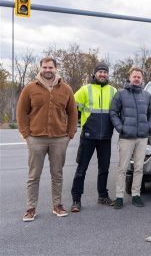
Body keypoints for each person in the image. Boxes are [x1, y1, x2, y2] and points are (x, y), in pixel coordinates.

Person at [17, 57, 78, 221]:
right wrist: (26, 135)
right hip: (36, 139)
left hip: (59, 139)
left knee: (57, 174)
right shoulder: (30, 88)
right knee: (33, 176)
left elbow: (73, 112)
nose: (47, 70)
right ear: (40, 68)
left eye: (50, 67)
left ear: (56, 69)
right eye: (45, 67)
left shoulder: (66, 89)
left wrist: (69, 135)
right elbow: (21, 112)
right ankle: (30, 208)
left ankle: (57, 205)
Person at [70, 62, 117, 212]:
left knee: (104, 168)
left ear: (108, 74)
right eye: (100, 72)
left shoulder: (114, 91)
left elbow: (119, 111)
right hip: (88, 136)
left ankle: (103, 196)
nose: (102, 74)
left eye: (105, 72)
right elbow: (71, 106)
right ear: (95, 74)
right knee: (81, 169)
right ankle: (76, 200)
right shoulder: (85, 89)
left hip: (106, 138)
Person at [110, 67, 151, 209]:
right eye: (134, 76)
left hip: (142, 137)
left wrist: (149, 127)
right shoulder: (121, 94)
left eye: (139, 77)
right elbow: (113, 112)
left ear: (142, 79)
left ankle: (136, 195)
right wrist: (121, 128)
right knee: (122, 168)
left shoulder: (147, 95)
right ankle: (119, 197)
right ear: (129, 78)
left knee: (138, 168)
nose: (136, 79)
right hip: (126, 137)